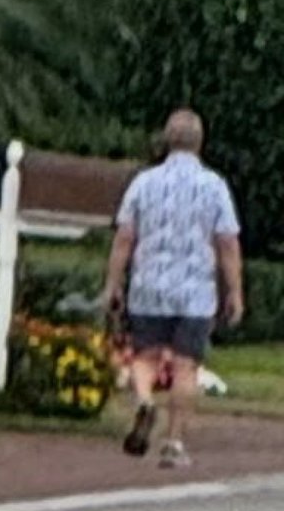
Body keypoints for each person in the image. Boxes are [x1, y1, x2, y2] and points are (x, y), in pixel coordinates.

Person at [102, 108, 244, 469]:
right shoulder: (214, 186)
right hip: (196, 292)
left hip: (149, 286)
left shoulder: (143, 183)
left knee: (145, 357)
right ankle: (174, 443)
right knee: (186, 367)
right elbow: (227, 242)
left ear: (166, 141)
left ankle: (146, 401)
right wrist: (235, 291)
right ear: (200, 142)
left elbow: (124, 237)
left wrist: (114, 283)